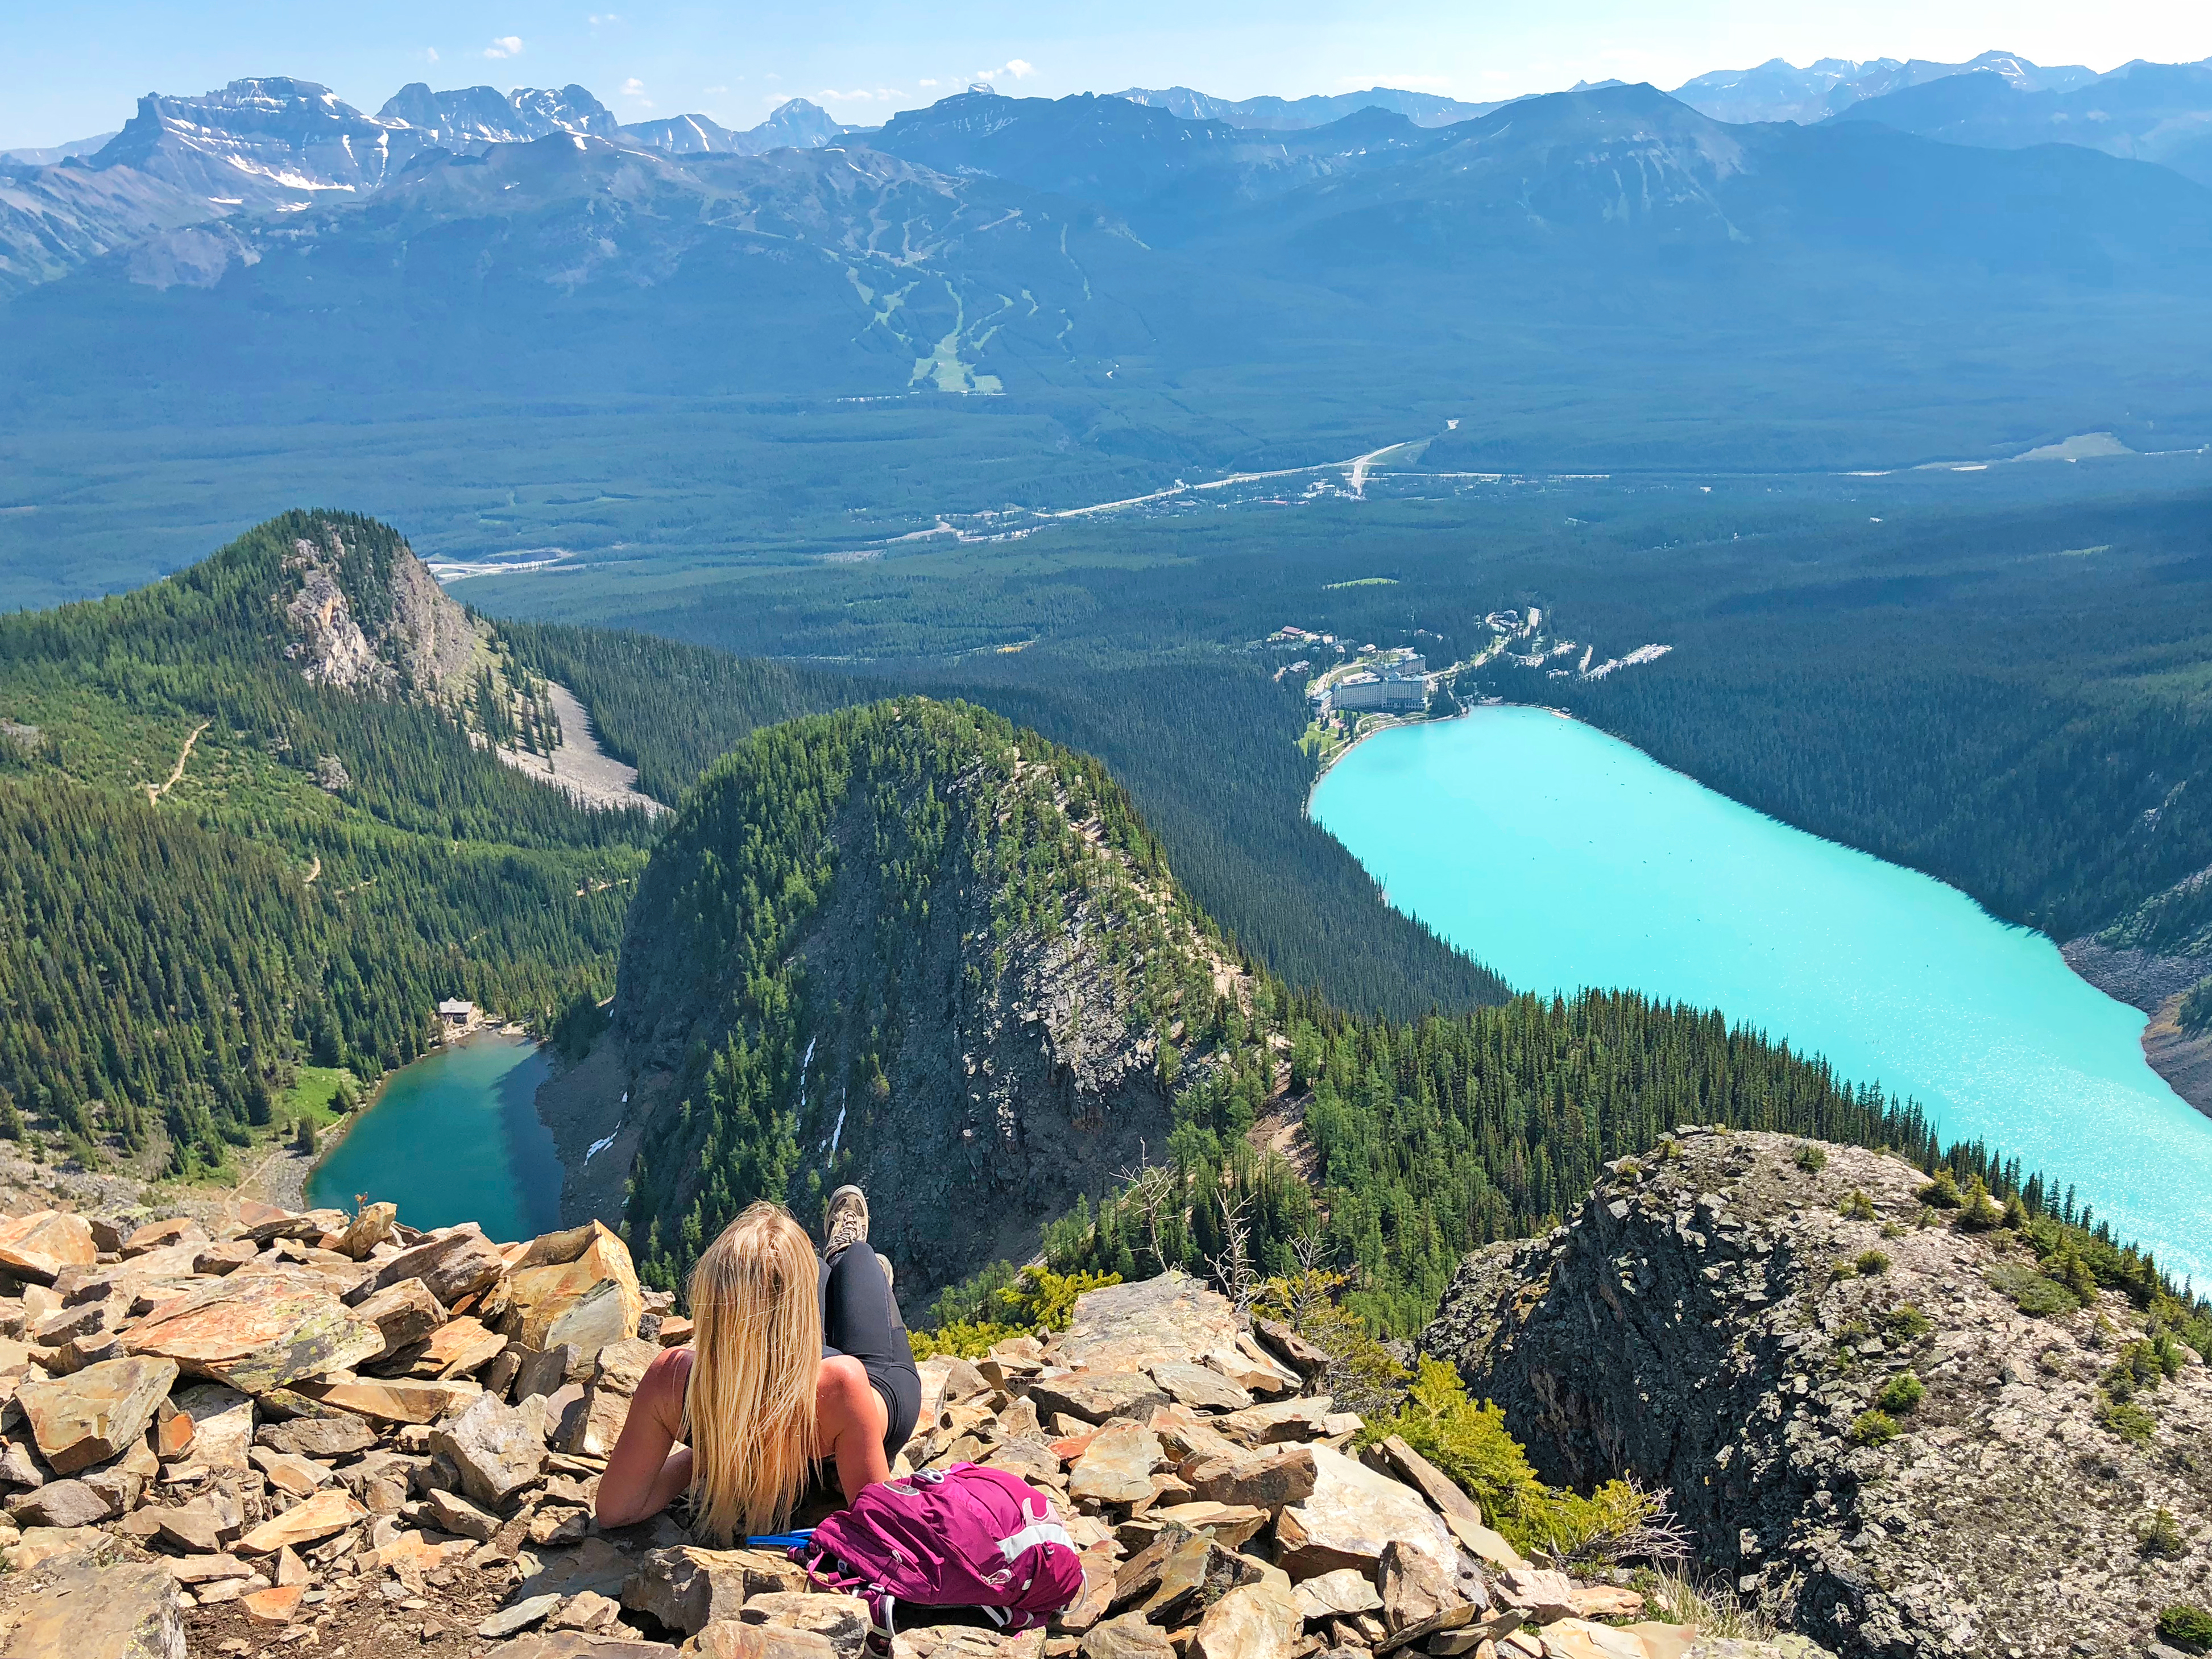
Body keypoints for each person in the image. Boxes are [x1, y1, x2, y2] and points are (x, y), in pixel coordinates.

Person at [595, 1186, 921, 1542]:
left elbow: (617, 1509)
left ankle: (819, 1266)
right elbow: (881, 1529)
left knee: (798, 1277)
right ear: (802, 1318)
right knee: (859, 1260)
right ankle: (840, 1252)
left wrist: (719, 1450)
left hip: (793, 1389)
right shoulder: (842, 1384)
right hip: (867, 1395)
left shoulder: (669, 1380)